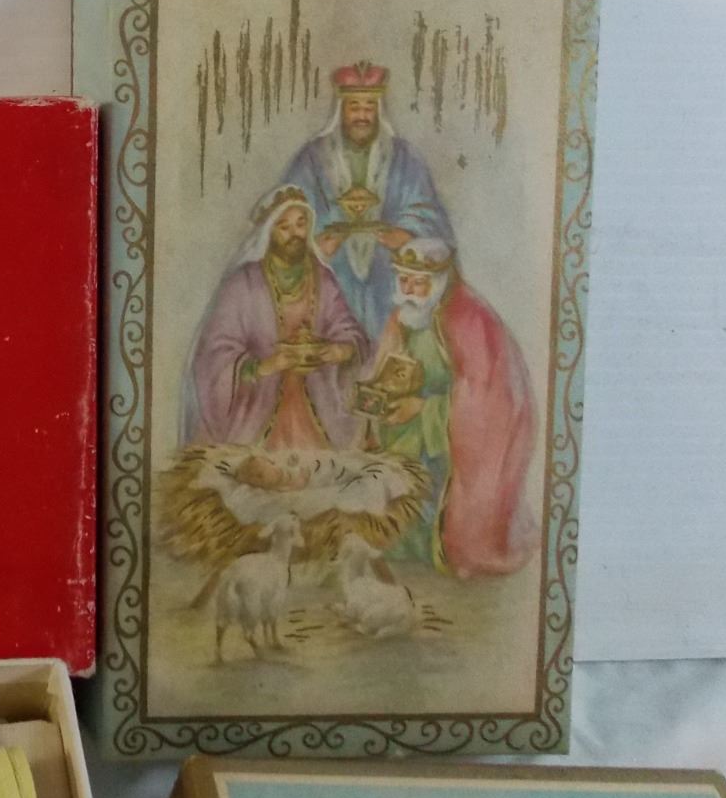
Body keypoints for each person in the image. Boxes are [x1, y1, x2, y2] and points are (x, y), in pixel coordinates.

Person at [368, 238, 536, 576]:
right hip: (409, 426)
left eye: (419, 282)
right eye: (404, 279)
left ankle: (451, 545)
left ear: (439, 281)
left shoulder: (472, 320)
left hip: (452, 433)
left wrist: (424, 409)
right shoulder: (403, 317)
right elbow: (385, 368)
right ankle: (403, 540)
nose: (409, 290)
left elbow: (489, 402)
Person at [181, 186, 367, 451]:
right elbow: (213, 354)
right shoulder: (243, 284)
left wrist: (340, 350)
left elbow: (347, 328)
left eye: (301, 224)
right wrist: (264, 366)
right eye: (284, 227)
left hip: (319, 405)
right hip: (256, 411)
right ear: (268, 232)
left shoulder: (323, 278)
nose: (295, 234)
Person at [281, 61, 453, 338]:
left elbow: (427, 211)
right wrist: (314, 243)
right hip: (330, 277)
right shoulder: (311, 159)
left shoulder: (405, 157)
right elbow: (287, 213)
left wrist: (408, 234)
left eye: (369, 107)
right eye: (354, 107)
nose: (362, 116)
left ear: (378, 111)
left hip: (389, 279)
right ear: (341, 110)